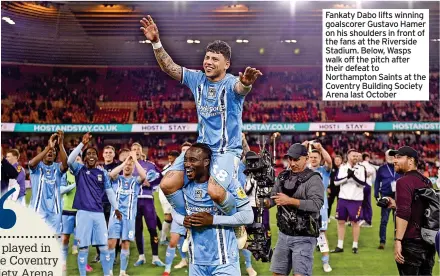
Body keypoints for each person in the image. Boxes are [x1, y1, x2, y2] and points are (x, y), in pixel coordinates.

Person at [140, 16, 263, 223]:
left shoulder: (231, 83)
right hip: (201, 149)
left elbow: (241, 89)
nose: (209, 62)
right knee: (167, 184)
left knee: (215, 191)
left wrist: (247, 84)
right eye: (207, 57)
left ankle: (235, 220)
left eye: (215, 59)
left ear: (227, 64)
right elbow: (169, 67)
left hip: (227, 151)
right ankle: (192, 219)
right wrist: (156, 42)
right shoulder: (196, 78)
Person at [171, 143, 254, 276]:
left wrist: (212, 220)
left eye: (193, 160)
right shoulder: (184, 185)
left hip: (224, 261)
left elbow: (248, 217)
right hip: (196, 261)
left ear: (206, 162)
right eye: (186, 160)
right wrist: (183, 219)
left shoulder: (228, 183)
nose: (187, 164)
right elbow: (174, 210)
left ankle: (239, 233)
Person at [265, 143, 324, 276]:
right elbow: (272, 198)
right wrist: (263, 201)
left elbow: (316, 204)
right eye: (290, 159)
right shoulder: (283, 176)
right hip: (283, 235)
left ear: (306, 158)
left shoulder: (314, 179)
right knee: (277, 274)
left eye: (296, 159)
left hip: (304, 237)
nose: (292, 163)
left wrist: (289, 201)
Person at [67, 132, 121, 276]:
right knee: (83, 248)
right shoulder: (79, 170)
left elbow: (109, 192)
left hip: (99, 214)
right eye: (88, 154)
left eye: (93, 154)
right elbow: (69, 160)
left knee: (103, 247)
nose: (91, 156)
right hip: (83, 213)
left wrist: (116, 208)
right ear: (84, 158)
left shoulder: (102, 173)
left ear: (97, 158)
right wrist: (82, 144)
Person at [389, 146, 436, 275]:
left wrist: (398, 240)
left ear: (410, 161)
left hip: (411, 243)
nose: (394, 160)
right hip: (428, 243)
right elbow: (422, 208)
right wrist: (395, 204)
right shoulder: (426, 181)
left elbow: (404, 213)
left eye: (398, 157)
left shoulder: (403, 182)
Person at [107, 150, 147, 276]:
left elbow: (144, 176)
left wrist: (134, 160)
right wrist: (125, 161)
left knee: (125, 244)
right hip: (115, 216)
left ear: (133, 167)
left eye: (131, 165)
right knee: (111, 243)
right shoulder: (116, 179)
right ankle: (109, 271)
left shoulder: (136, 181)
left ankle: (122, 272)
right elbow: (112, 173)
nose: (128, 166)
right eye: (126, 165)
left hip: (129, 218)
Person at [131, 142, 165, 267]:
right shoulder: (128, 165)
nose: (136, 151)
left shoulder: (150, 165)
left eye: (138, 149)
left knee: (152, 228)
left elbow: (160, 177)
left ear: (141, 151)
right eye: (134, 149)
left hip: (147, 200)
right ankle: (141, 257)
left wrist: (151, 184)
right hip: (134, 201)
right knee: (137, 229)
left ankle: (155, 257)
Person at [28, 131, 68, 234]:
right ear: (43, 153)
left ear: (56, 155)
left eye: (53, 151)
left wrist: (60, 144)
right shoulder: (37, 167)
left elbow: (66, 165)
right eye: (48, 151)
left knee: (54, 240)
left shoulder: (57, 167)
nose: (51, 152)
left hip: (55, 210)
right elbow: (31, 163)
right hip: (37, 209)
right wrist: (48, 147)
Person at [60, 154, 93, 273]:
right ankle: (62, 262)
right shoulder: (65, 174)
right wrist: (74, 185)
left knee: (83, 240)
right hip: (68, 210)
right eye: (74, 160)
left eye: (78, 159)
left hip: (82, 211)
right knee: (65, 238)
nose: (76, 162)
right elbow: (61, 190)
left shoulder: (86, 175)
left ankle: (84, 264)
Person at [332, 149, 367, 254]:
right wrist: (348, 176)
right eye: (353, 156)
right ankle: (339, 245)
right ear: (348, 157)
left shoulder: (361, 168)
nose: (355, 158)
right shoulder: (342, 167)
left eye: (356, 156)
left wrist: (353, 176)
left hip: (356, 200)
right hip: (343, 198)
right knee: (341, 221)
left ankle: (355, 246)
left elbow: (363, 183)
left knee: (355, 222)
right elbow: (336, 182)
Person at [306, 142, 333, 273]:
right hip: (305, 207)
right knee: (304, 235)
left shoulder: (324, 171)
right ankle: (305, 262)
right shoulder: (304, 170)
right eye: (311, 157)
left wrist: (321, 148)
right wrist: (302, 145)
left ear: (320, 159)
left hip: (321, 208)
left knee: (321, 234)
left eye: (316, 157)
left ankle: (325, 262)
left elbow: (329, 161)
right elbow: (292, 163)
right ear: (308, 158)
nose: (314, 159)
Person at [93, 145, 121, 263]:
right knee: (99, 230)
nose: (108, 154)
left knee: (113, 231)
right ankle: (99, 254)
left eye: (110, 152)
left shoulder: (118, 167)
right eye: (106, 152)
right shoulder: (98, 168)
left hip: (112, 203)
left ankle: (113, 256)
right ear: (103, 154)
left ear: (114, 155)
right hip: (100, 202)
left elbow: (116, 178)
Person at [375, 149, 401, 249]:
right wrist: (376, 193)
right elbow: (377, 181)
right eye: (389, 156)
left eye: (393, 156)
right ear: (385, 157)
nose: (391, 157)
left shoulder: (399, 167)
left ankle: (398, 240)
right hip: (386, 196)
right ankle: (382, 241)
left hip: (399, 197)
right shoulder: (382, 168)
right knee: (384, 220)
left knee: (398, 220)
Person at [159, 150, 181, 246]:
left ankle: (173, 237)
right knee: (168, 216)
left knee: (174, 216)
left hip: (173, 194)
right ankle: (163, 239)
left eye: (171, 157)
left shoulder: (178, 166)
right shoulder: (168, 168)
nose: (169, 159)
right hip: (165, 194)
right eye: (169, 157)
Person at [359, 152, 376, 228]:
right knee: (367, 203)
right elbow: (374, 178)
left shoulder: (360, 165)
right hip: (368, 185)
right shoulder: (371, 167)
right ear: (367, 158)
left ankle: (361, 219)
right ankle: (368, 220)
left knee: (359, 202)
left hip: (361, 185)